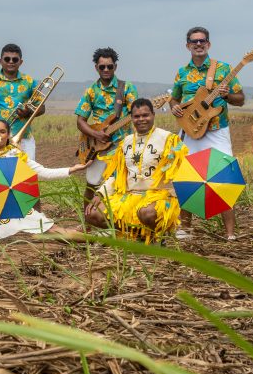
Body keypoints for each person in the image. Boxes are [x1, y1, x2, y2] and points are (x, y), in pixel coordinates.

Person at [170, 26, 244, 240]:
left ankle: (229, 233)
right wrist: (174, 106)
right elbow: (174, 97)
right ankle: (185, 229)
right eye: (194, 42)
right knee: (185, 177)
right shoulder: (182, 72)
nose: (199, 44)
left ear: (208, 44)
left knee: (224, 177)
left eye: (202, 41)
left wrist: (228, 95)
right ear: (188, 46)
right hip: (189, 130)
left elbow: (241, 99)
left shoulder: (223, 69)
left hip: (216, 129)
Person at [0, 119, 86, 241]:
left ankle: (91, 238)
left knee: (52, 230)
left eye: (2, 132)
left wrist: (71, 169)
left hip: (13, 203)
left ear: (8, 135)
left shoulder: (16, 154)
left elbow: (43, 172)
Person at [85, 98, 189, 243]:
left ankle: (157, 237)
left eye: (145, 115)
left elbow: (180, 172)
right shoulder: (126, 142)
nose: (141, 119)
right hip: (129, 196)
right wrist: (100, 194)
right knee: (92, 214)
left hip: (158, 197)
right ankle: (137, 235)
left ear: (153, 115)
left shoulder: (169, 139)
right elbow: (118, 175)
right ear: (131, 118)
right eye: (137, 116)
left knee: (147, 213)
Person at [74, 47, 138, 208]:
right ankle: (87, 223)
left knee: (122, 183)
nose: (106, 69)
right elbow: (80, 121)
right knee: (92, 184)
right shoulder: (91, 91)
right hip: (97, 146)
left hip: (122, 145)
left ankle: (118, 223)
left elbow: (136, 114)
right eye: (102, 66)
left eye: (110, 66)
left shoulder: (127, 88)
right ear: (96, 67)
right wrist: (96, 135)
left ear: (115, 67)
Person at [0, 44, 44, 159]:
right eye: (7, 59)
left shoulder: (30, 81)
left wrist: (29, 112)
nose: (11, 62)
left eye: (15, 59)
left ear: (20, 62)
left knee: (27, 174)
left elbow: (42, 108)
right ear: (0, 61)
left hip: (24, 138)